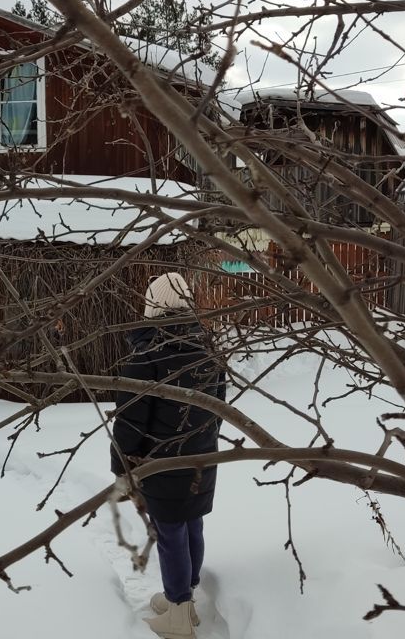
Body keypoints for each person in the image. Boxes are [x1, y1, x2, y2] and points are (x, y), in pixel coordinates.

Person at [110, 272, 226, 639]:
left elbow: (130, 421)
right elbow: (220, 406)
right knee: (192, 524)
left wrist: (123, 468)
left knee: (171, 532)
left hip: (161, 463)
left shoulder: (146, 358)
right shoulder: (207, 351)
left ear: (153, 307)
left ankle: (178, 610)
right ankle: (184, 598)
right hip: (201, 459)